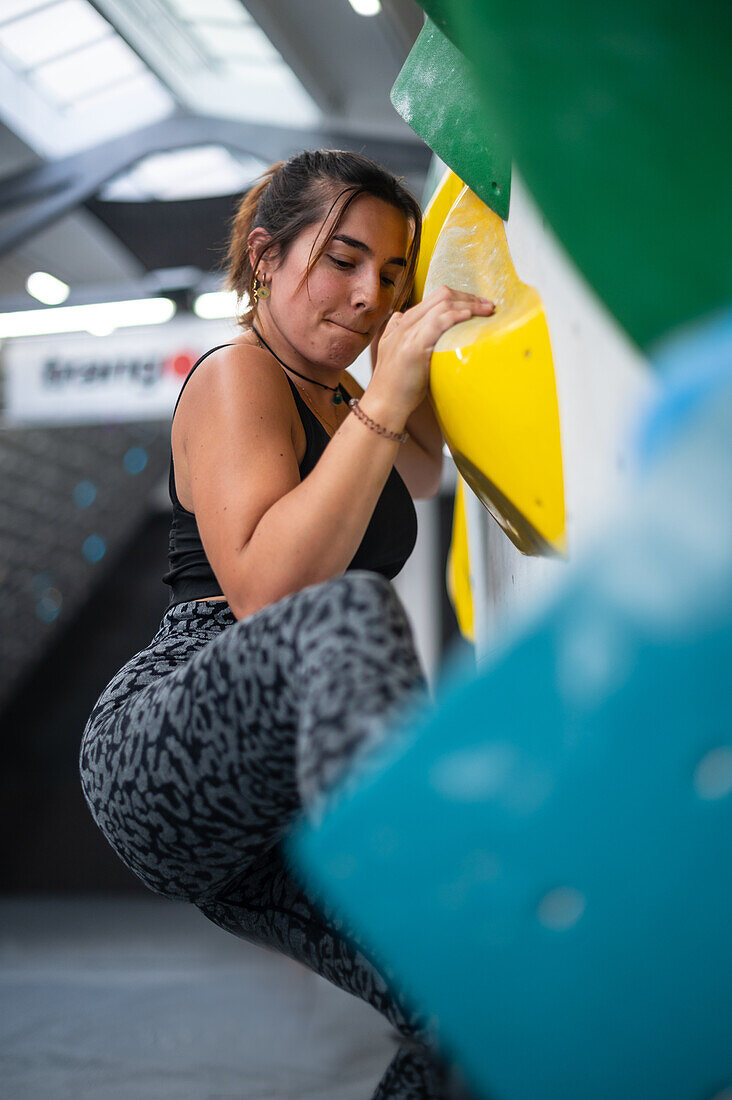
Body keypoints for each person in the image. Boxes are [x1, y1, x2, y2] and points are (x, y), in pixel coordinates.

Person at [79, 150, 494, 1099]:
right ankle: (411, 852)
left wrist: (413, 344)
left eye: (391, 274)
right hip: (170, 739)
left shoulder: (350, 393)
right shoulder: (237, 374)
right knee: (350, 602)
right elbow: (271, 594)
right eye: (342, 260)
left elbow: (423, 472)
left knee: (474, 1000)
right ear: (265, 257)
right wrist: (385, 397)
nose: (367, 295)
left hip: (275, 813)